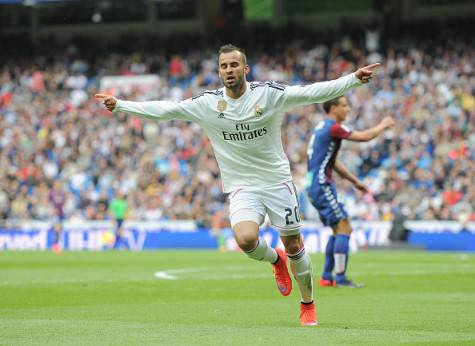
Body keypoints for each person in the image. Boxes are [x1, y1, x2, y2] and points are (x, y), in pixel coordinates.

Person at [95, 44, 379, 326]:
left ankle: (308, 304)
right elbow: (167, 109)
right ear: (219, 72)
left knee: (294, 245)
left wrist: (352, 80)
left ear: (245, 69)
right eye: (223, 66)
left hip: (277, 182)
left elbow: (310, 93)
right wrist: (121, 105)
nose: (228, 70)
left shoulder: (268, 95)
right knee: (245, 239)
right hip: (242, 185)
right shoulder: (207, 104)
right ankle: (275, 260)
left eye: (233, 65)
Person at [306, 96, 395, 288]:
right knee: (345, 227)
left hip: (314, 184)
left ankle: (327, 277)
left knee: (338, 229)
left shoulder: (321, 128)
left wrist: (355, 181)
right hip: (321, 184)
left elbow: (333, 162)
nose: (348, 109)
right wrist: (383, 125)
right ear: (333, 108)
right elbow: (363, 137)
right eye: (344, 106)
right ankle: (340, 277)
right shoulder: (333, 127)